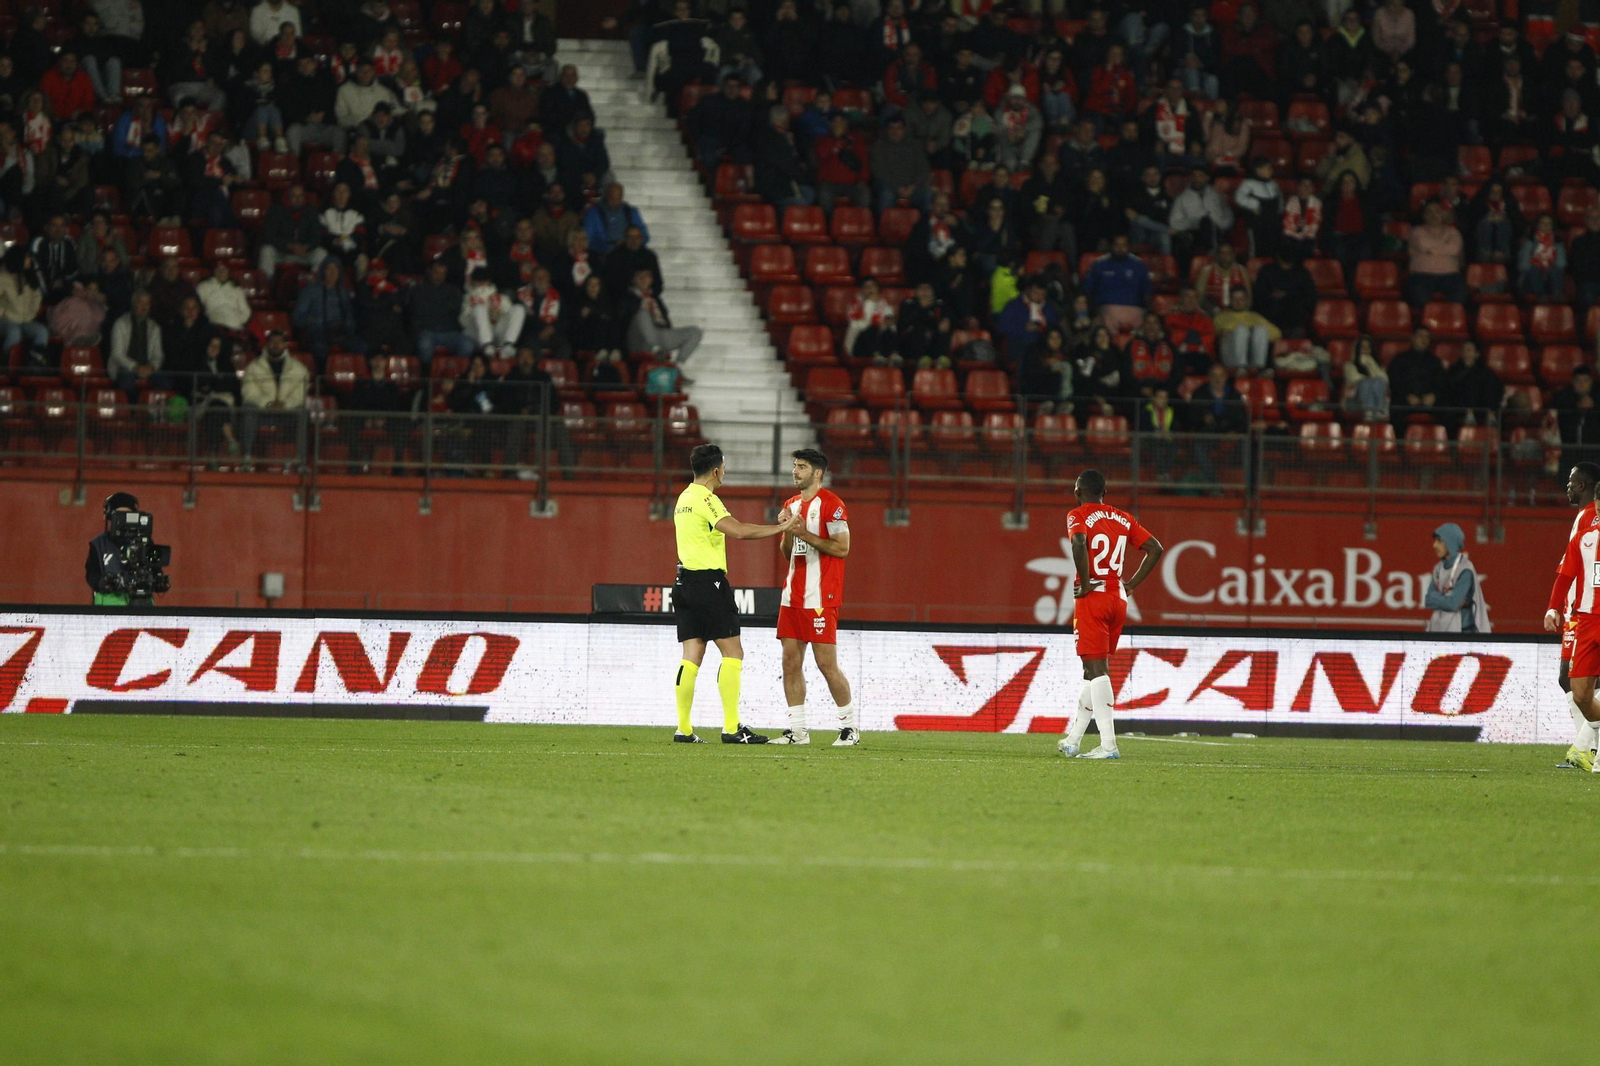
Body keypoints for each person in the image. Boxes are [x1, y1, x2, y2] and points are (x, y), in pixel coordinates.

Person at [669, 443, 798, 744]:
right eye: (724, 468)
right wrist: (782, 528)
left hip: (683, 583)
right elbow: (738, 531)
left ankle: (684, 729)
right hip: (708, 584)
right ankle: (731, 728)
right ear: (716, 471)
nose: (724, 473)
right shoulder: (706, 499)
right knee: (733, 653)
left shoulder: (683, 498)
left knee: (691, 656)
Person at [1058, 468, 1164, 760]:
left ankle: (1108, 745)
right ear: (1104, 493)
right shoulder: (1124, 517)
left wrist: (1085, 581)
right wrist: (1131, 585)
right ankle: (1074, 740)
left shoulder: (1077, 514)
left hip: (1094, 596)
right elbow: (1155, 549)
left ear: (1078, 491)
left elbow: (1079, 543)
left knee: (1097, 670)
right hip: (1118, 596)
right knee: (1091, 671)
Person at [769, 448, 858, 747]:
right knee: (790, 662)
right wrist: (786, 530)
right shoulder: (791, 504)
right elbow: (787, 553)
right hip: (792, 596)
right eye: (795, 465)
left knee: (826, 664)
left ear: (817, 473)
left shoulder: (833, 505)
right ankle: (798, 731)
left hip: (821, 597)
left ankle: (849, 728)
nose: (795, 471)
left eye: (802, 467)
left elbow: (842, 548)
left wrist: (803, 532)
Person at [1553, 462, 1600, 770]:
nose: (1567, 486)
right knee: (1572, 680)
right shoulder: (1585, 518)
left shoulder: (1588, 517)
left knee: (1571, 678)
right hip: (1581, 610)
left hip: (1583, 612)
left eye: (1571, 481)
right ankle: (1587, 747)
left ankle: (1586, 747)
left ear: (1583, 485)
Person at [239, 331, 309, 468]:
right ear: (267, 344)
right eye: (272, 341)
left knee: (303, 414)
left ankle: (301, 461)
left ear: (285, 345)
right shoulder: (253, 367)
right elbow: (249, 392)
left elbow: (300, 394)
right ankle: (246, 458)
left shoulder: (298, 369)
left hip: (287, 413)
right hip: (263, 412)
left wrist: (285, 404)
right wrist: (268, 404)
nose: (276, 345)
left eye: (279, 341)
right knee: (248, 410)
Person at [85, 492, 153, 606]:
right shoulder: (99, 544)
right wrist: (102, 583)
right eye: (120, 517)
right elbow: (91, 574)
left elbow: (155, 569)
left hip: (141, 604)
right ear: (109, 517)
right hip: (108, 607)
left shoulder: (145, 542)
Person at [292, 259, 365, 362]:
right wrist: (315, 321)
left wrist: (347, 327)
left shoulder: (344, 294)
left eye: (336, 269)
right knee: (319, 348)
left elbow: (350, 317)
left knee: (361, 346)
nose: (332, 272)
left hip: (340, 332)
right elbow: (297, 318)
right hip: (317, 332)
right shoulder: (310, 291)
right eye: (329, 269)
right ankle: (322, 372)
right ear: (323, 271)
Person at [1423, 522, 1491, 633]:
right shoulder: (1438, 568)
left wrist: (1438, 598)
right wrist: (1448, 600)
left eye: (1439, 541)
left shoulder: (1465, 570)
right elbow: (1428, 600)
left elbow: (1453, 604)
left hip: (1463, 633)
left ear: (1450, 542)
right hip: (1441, 630)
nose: (1434, 545)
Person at [623, 268, 700, 363]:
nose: (643, 279)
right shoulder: (627, 297)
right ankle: (655, 349)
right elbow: (623, 318)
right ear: (633, 279)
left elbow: (665, 320)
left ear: (651, 279)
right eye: (639, 276)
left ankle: (678, 364)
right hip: (639, 338)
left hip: (659, 334)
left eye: (646, 275)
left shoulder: (655, 298)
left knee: (694, 332)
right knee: (643, 313)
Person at [1081, 234, 1151, 334]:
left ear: (1129, 247)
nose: (1120, 248)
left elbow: (1147, 293)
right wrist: (1094, 314)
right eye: (1117, 245)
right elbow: (1087, 291)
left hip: (1135, 313)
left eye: (1123, 245)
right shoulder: (1099, 264)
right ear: (1111, 246)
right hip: (1106, 314)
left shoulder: (1139, 265)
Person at [1407, 203, 1468, 306]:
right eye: (1429, 212)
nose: (1433, 215)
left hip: (1450, 276)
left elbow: (1454, 249)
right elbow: (1423, 245)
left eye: (1437, 212)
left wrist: (1431, 250)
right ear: (1424, 215)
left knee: (1461, 293)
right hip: (1421, 275)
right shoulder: (1416, 231)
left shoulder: (1454, 232)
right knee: (1418, 294)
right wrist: (1444, 246)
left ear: (1443, 214)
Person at [108, 290, 166, 398]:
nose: (144, 306)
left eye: (147, 303)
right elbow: (117, 354)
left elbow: (158, 355)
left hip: (148, 368)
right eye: (141, 302)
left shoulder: (154, 327)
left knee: (165, 381)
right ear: (133, 303)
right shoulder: (120, 324)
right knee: (127, 381)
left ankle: (152, 407)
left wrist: (151, 367)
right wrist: (136, 367)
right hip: (125, 368)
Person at [462, 267, 526, 359]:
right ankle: (487, 345)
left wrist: (498, 312)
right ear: (473, 282)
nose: (481, 284)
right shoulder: (467, 298)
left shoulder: (498, 297)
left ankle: (508, 345)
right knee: (479, 308)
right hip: (476, 334)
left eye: (484, 281)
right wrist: (478, 313)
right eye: (478, 281)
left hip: (497, 334)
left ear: (489, 281)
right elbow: (463, 322)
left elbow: (512, 315)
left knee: (519, 308)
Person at [0, 247, 48, 369]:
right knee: (14, 332)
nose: (29, 260)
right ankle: (5, 364)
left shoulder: (28, 276)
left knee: (41, 331)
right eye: (27, 257)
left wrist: (31, 312)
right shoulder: (2, 278)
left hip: (25, 319)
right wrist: (3, 313)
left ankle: (33, 365)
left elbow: (37, 295)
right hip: (5, 320)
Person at [1214, 288, 1280, 370]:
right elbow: (1216, 333)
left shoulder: (1254, 316)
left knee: (1260, 330)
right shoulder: (1221, 317)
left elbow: (1276, 332)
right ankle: (1241, 367)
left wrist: (1252, 333)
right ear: (1230, 300)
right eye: (1235, 299)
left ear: (1246, 301)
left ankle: (1258, 367)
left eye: (1241, 299)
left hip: (1250, 356)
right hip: (1230, 355)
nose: (1238, 302)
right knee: (1241, 330)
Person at [1518, 213, 1567, 300]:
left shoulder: (1558, 242)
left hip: (1550, 277)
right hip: (1531, 277)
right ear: (1537, 225)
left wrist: (1547, 270)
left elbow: (1561, 263)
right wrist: (1539, 269)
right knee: (1534, 269)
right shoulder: (1530, 241)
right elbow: (1523, 265)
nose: (1546, 226)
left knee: (1556, 270)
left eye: (1549, 223)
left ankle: (1556, 295)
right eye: (1543, 223)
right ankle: (1540, 295)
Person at [196, 261, 252, 332]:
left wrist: (238, 320)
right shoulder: (203, 286)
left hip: (234, 326)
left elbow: (245, 311)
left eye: (224, 269)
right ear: (214, 271)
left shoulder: (237, 289)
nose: (221, 272)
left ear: (228, 271)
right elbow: (197, 306)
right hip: (213, 325)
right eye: (218, 270)